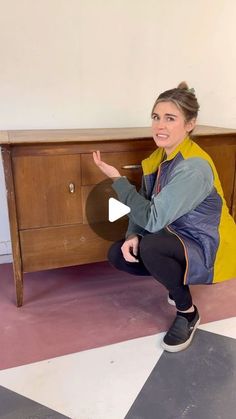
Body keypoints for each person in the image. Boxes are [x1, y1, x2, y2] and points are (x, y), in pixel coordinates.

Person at [93, 82, 236, 352]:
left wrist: (117, 179)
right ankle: (175, 281)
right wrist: (132, 234)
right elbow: (146, 205)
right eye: (156, 117)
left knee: (152, 246)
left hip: (208, 244)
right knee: (120, 254)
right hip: (177, 234)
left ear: (190, 124)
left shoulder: (194, 167)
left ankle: (187, 312)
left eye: (170, 119)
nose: (160, 126)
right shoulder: (161, 156)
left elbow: (154, 218)